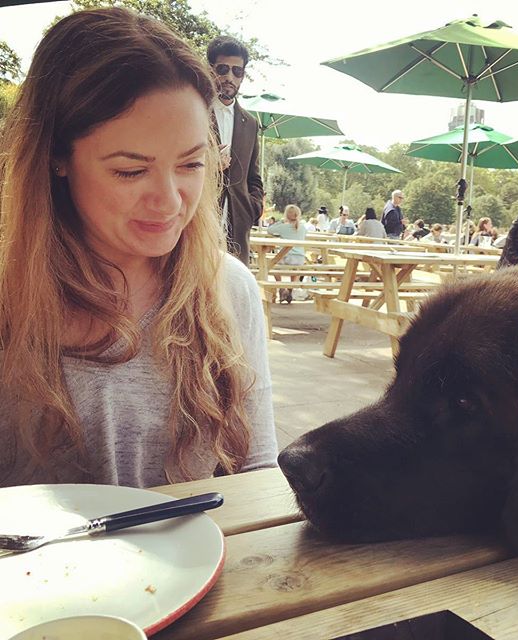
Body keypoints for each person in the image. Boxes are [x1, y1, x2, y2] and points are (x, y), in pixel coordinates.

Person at [0, 7, 277, 488]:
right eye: (131, 170)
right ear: (56, 158)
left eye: (191, 165)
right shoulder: (9, 296)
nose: (170, 202)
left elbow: (257, 474)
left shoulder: (229, 289)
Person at [207, 35, 263, 265]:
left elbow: (254, 177)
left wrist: (253, 208)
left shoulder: (250, 123)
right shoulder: (194, 111)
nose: (229, 77)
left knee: (235, 294)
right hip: (200, 219)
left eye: (237, 71)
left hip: (239, 226)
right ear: (210, 69)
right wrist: (208, 163)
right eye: (223, 69)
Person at [267, 205, 307, 303]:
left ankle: (281, 287)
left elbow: (270, 230)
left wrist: (281, 221)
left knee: (272, 265)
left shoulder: (283, 227)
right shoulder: (302, 227)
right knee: (296, 269)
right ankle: (290, 288)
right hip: (300, 258)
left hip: (286, 256)